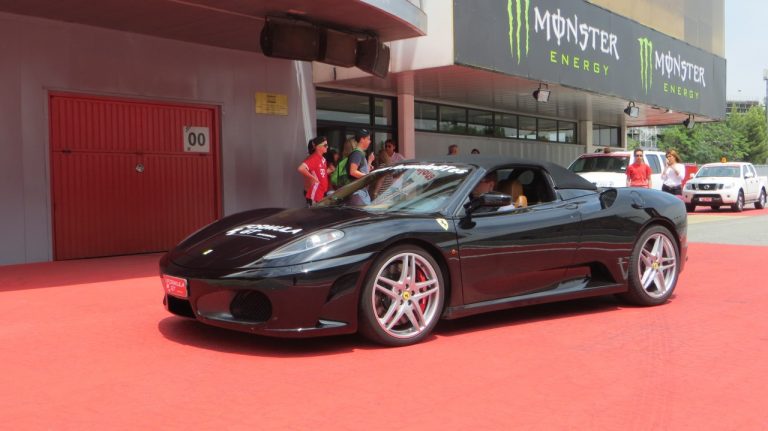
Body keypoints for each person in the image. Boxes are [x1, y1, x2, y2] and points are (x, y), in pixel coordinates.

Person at [297, 136, 329, 206]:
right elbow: (301, 168)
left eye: (327, 145)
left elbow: (321, 174)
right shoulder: (313, 158)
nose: (327, 147)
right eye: (325, 145)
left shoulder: (323, 159)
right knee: (315, 212)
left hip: (322, 191)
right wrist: (313, 178)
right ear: (317, 146)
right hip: (315, 193)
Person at [348, 129, 374, 205]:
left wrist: (369, 161)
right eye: (368, 139)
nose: (370, 141)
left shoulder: (360, 153)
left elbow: (363, 172)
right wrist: (368, 177)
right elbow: (353, 171)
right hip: (358, 193)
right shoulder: (357, 153)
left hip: (362, 193)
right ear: (362, 139)